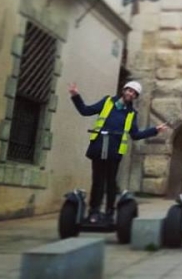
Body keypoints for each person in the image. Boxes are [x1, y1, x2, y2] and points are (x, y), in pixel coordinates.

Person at [69, 81, 168, 223]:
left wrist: (154, 130)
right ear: (124, 90)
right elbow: (85, 111)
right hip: (99, 147)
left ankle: (109, 211)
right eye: (129, 90)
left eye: (134, 93)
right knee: (97, 181)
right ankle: (94, 211)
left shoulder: (131, 113)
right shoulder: (107, 102)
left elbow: (135, 134)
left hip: (114, 151)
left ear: (135, 97)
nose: (130, 94)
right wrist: (75, 96)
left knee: (110, 182)